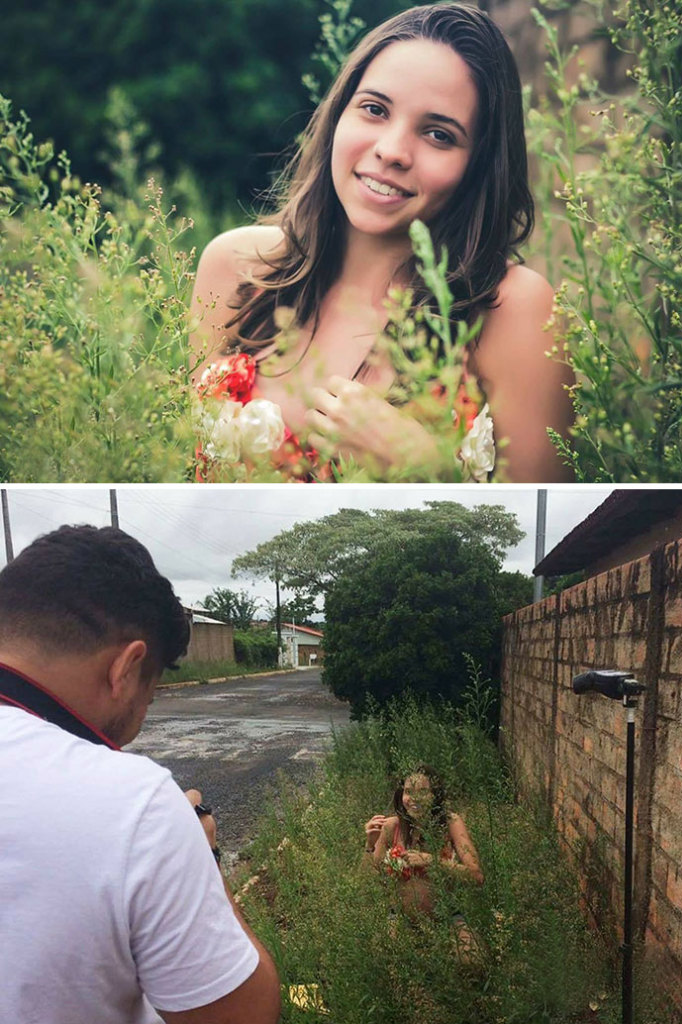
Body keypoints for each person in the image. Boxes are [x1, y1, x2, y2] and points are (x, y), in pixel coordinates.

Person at [191, 2, 573, 482]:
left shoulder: (513, 310)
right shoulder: (236, 268)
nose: (391, 151)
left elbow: (534, 530)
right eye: (374, 109)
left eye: (438, 134)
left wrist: (425, 470)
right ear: (338, 115)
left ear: (480, 164)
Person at [0, 525, 281, 1024]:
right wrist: (204, 854)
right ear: (126, 669)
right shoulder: (136, 804)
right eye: (148, 697)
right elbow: (245, 1014)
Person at [368, 767, 484, 958]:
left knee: (473, 960)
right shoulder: (391, 826)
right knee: (385, 958)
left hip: (447, 916)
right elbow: (368, 878)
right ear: (401, 794)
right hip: (400, 917)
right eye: (408, 792)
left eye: (423, 791)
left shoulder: (451, 823)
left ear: (435, 795)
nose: (415, 798)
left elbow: (476, 876)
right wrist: (369, 844)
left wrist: (432, 861)